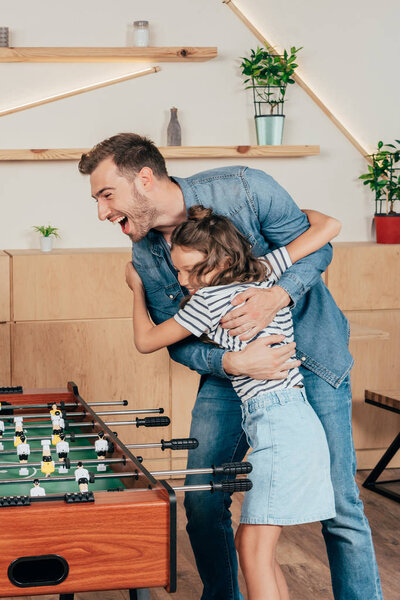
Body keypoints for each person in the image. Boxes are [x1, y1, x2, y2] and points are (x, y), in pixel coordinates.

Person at [78, 133, 382, 600]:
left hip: (312, 360)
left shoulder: (244, 187)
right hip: (232, 377)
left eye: (106, 195)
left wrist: (276, 296)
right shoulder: (144, 253)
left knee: (339, 505)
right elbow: (175, 345)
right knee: (202, 499)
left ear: (144, 179)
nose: (102, 212)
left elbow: (316, 243)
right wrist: (232, 359)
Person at [125, 204, 338, 599]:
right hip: (293, 420)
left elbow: (145, 340)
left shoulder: (206, 302)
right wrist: (296, 213)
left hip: (281, 427)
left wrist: (137, 288)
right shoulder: (263, 271)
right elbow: (329, 225)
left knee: (253, 551)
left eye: (195, 270)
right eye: (180, 271)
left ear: (222, 262)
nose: (185, 281)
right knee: (257, 550)